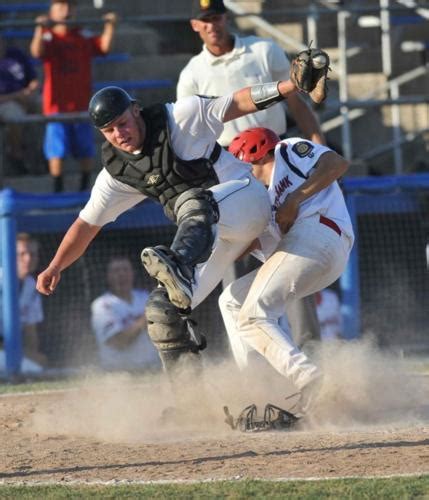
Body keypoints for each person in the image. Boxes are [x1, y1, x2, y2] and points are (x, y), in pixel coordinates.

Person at [36, 52, 329, 376]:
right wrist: (55, 265)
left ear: (136, 110)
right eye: (108, 130)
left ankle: (316, 357)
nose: (118, 133)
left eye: (122, 122)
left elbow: (238, 103)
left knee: (197, 205)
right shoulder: (118, 174)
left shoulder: (182, 117)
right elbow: (86, 225)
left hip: (250, 204)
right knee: (164, 310)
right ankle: (215, 392)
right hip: (216, 236)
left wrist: (290, 86)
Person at [177, 0, 325, 347]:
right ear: (195, 25)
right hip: (229, 167)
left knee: (292, 252)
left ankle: (309, 348)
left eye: (215, 16)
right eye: (205, 20)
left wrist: (318, 143)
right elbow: (189, 133)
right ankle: (252, 354)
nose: (212, 24)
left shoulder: (262, 50)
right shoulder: (192, 74)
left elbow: (295, 100)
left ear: (225, 17)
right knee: (232, 257)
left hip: (276, 161)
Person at [219, 127, 354, 417]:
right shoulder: (254, 203)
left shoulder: (287, 150)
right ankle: (259, 390)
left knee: (254, 313)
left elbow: (337, 164)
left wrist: (294, 199)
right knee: (232, 300)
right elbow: (246, 245)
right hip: (306, 254)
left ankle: (309, 378)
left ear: (257, 155)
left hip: (321, 231)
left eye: (247, 166)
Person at [30, 0, 117, 192]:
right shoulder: (48, 36)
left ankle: (84, 190)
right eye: (61, 6)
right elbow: (36, 52)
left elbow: (104, 48)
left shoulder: (83, 35)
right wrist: (39, 28)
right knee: (57, 150)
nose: (66, 10)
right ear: (52, 11)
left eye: (70, 6)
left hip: (81, 104)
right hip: (56, 107)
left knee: (85, 148)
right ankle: (58, 191)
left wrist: (110, 26)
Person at [91, 256, 161, 372]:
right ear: (108, 276)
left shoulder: (146, 297)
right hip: (119, 373)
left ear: (132, 273)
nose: (121, 274)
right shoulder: (102, 305)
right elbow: (119, 342)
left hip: (153, 370)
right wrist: (148, 316)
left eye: (125, 270)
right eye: (116, 271)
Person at [0, 34, 39, 174]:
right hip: (6, 102)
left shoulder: (16, 54)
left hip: (24, 97)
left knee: (45, 107)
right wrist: (17, 97)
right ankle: (16, 154)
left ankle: (42, 155)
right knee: (14, 114)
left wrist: (29, 92)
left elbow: (33, 80)